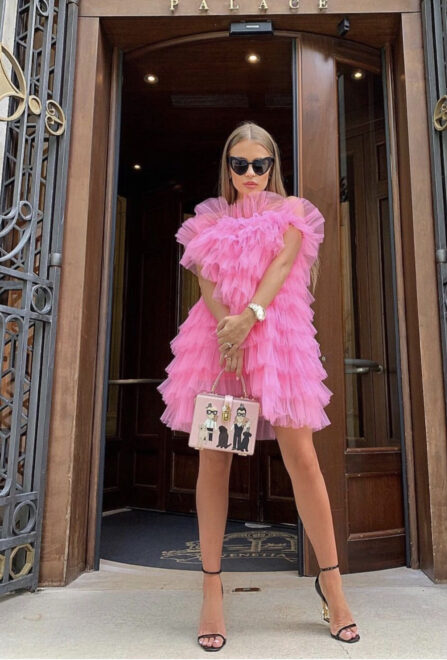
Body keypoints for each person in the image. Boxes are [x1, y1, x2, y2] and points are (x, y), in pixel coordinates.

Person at [157, 121, 360, 651]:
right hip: (217, 343)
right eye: (240, 164)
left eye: (260, 164)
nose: (250, 174)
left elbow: (283, 265)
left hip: (279, 341)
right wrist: (229, 331)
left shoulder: (292, 214)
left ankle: (332, 583)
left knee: (304, 457)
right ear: (228, 167)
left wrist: (250, 317)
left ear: (274, 167)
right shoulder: (207, 220)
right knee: (214, 458)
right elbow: (205, 281)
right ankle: (211, 589)